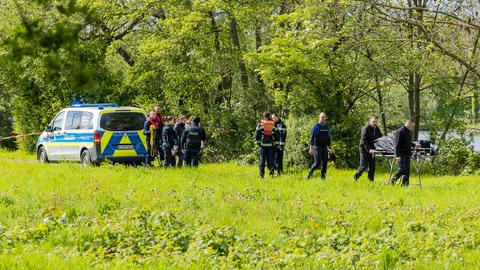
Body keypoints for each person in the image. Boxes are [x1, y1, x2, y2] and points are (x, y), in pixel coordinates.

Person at [389, 120, 419, 186]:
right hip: (401, 154)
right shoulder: (400, 132)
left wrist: (414, 145)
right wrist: (397, 156)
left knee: (407, 170)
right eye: (412, 126)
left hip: (407, 153)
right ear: (408, 124)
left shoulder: (408, 132)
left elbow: (407, 142)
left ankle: (405, 184)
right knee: (402, 169)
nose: (412, 128)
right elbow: (396, 145)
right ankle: (392, 180)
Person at [353, 116, 383, 181]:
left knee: (372, 167)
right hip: (364, 148)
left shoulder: (377, 129)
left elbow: (380, 138)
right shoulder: (365, 128)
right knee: (363, 166)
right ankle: (355, 178)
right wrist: (369, 149)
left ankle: (370, 181)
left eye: (376, 122)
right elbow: (364, 140)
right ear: (370, 121)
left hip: (373, 150)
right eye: (373, 122)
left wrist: (381, 148)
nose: (375, 123)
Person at [306, 112, 331, 180]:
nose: (323, 118)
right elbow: (311, 138)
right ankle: (309, 173)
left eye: (324, 117)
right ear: (319, 117)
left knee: (325, 162)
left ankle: (323, 177)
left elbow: (328, 138)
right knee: (317, 163)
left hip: (324, 147)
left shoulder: (327, 127)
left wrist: (328, 148)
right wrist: (311, 148)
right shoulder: (315, 127)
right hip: (317, 147)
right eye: (322, 117)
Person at [255, 112, 279, 178]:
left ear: (263, 116)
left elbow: (257, 134)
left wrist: (259, 142)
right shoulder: (273, 124)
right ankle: (271, 173)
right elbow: (277, 135)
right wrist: (276, 144)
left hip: (263, 145)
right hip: (271, 145)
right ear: (269, 116)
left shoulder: (261, 124)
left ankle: (261, 174)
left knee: (262, 160)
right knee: (271, 160)